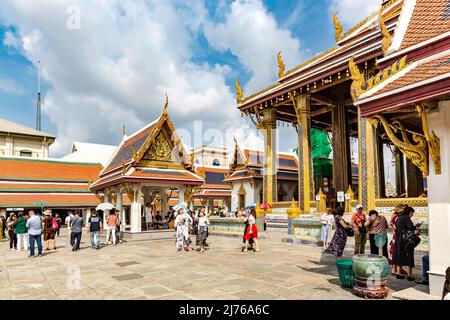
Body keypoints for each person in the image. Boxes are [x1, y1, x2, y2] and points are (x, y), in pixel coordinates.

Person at [392, 206, 420, 280]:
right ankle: (409, 275)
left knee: (399, 255)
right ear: (410, 212)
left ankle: (399, 273)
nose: (412, 215)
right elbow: (410, 227)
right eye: (412, 213)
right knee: (409, 255)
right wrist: (416, 228)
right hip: (406, 241)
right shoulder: (406, 218)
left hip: (398, 239)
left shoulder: (399, 218)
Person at [389, 204, 405, 275]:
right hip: (397, 236)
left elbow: (391, 225)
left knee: (394, 251)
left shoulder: (394, 217)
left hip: (395, 236)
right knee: (396, 251)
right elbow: (396, 227)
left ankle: (397, 268)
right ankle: (395, 269)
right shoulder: (397, 218)